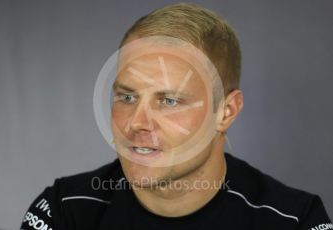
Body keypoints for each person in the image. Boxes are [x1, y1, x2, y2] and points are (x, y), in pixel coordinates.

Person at [20, 3, 332, 230]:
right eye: (127, 97)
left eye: (169, 100)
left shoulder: (294, 221)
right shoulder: (65, 211)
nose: (137, 122)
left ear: (226, 112)